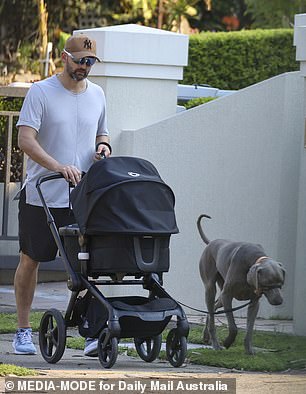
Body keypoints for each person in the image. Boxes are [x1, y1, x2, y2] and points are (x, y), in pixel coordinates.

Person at [13, 34, 111, 357]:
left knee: (87, 265)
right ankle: (23, 331)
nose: (84, 67)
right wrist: (57, 165)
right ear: (64, 57)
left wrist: (103, 148)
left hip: (80, 196)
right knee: (31, 260)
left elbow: (102, 133)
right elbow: (25, 140)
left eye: (90, 62)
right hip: (42, 194)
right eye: (80, 60)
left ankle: (94, 333)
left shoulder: (97, 95)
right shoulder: (41, 92)